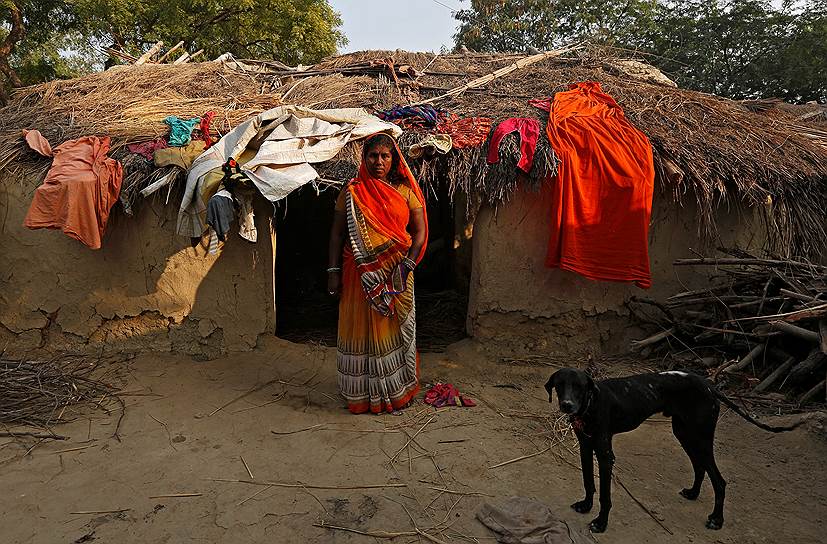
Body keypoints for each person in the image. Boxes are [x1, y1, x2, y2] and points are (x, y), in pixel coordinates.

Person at [327, 133, 428, 414]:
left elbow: (419, 233)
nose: (379, 161)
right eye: (373, 156)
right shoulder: (352, 191)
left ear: (394, 159)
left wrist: (407, 265)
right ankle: (363, 394)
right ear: (364, 158)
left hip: (397, 273)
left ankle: (396, 391)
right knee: (360, 329)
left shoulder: (406, 190)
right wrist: (332, 270)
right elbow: (337, 235)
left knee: (394, 327)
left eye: (385, 156)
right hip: (359, 271)